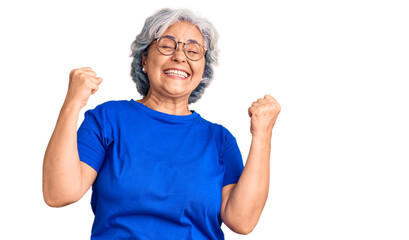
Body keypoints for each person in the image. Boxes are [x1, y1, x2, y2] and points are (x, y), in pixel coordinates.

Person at [42, 8, 281, 240]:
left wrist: (263, 134)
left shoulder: (219, 139)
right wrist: (72, 103)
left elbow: (242, 222)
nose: (179, 56)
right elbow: (59, 193)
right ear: (144, 59)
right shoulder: (108, 118)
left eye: (193, 51)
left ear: (202, 70)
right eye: (167, 45)